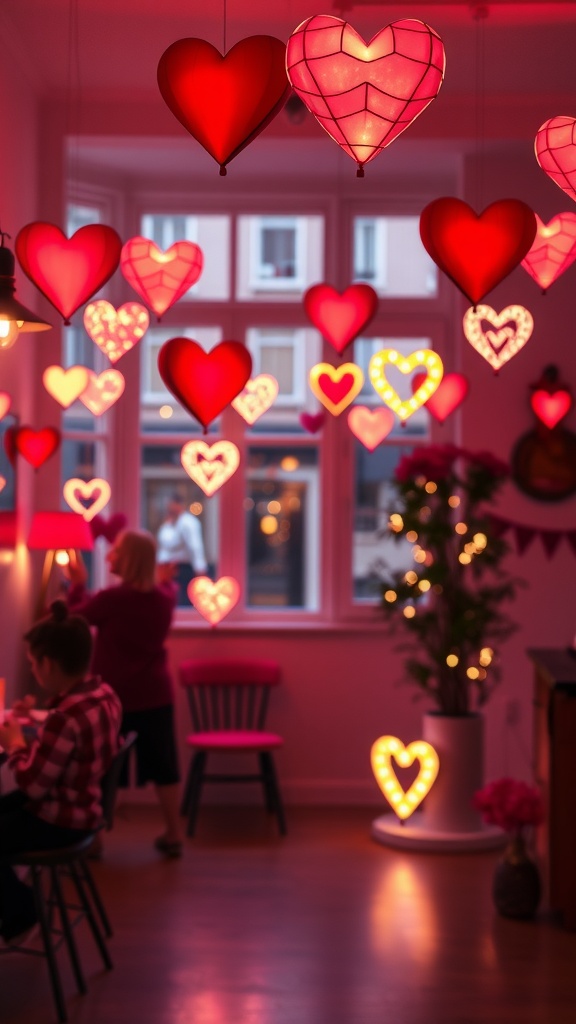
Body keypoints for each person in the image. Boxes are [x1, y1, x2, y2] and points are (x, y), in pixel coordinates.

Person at [0, 602, 122, 943]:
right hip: (86, 809)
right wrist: (36, 717)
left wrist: (13, 744)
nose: (33, 671)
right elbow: (71, 740)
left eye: (32, 664)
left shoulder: (62, 719)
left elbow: (33, 786)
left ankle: (21, 913)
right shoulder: (104, 695)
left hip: (58, 820)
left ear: (48, 664)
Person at [66, 529, 184, 857]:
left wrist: (77, 584)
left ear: (129, 559)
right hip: (156, 694)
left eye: (115, 552)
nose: (108, 556)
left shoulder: (112, 600)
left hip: (113, 697)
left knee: (103, 768)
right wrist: (163, 578)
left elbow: (73, 619)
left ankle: (96, 840)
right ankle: (174, 833)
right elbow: (169, 588)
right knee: (164, 765)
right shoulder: (164, 598)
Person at [156, 493, 208, 605]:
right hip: (168, 569)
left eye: (172, 505)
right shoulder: (169, 524)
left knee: (182, 601)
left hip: (182, 570)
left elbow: (195, 546)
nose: (169, 508)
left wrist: (200, 568)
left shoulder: (188, 523)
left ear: (179, 505)